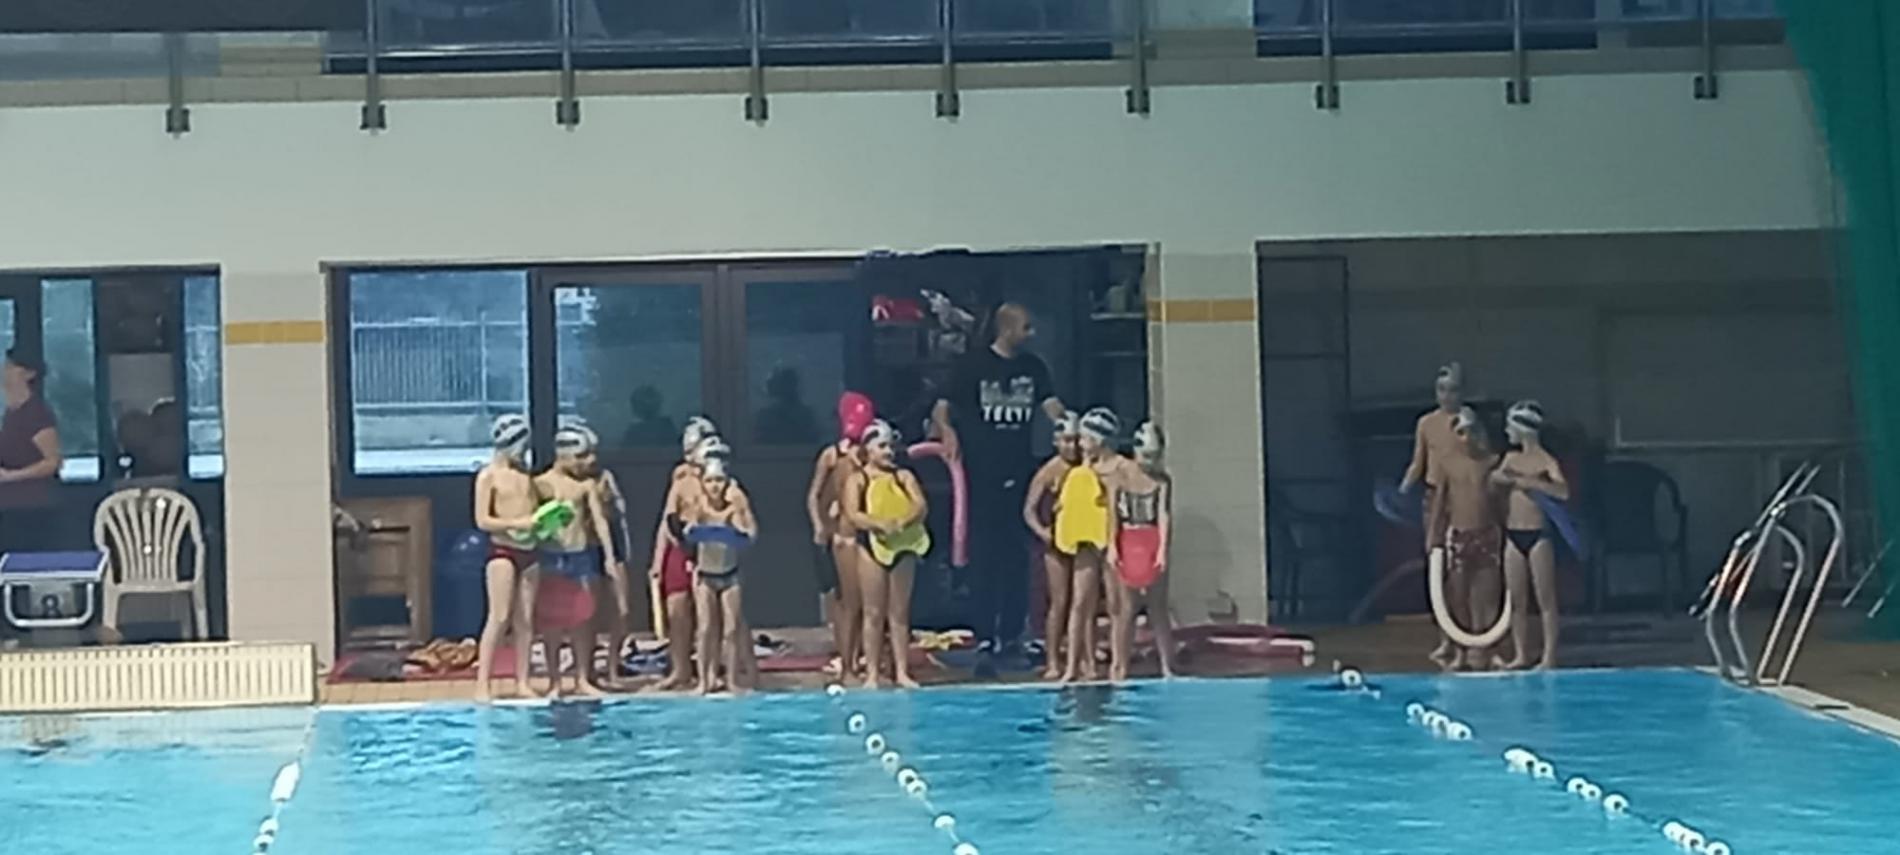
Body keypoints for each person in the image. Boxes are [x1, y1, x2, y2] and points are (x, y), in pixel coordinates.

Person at [931, 303, 1067, 676]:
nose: (1031, 334)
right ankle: (984, 634)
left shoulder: (1033, 367)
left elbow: (1052, 406)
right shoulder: (972, 367)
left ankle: (1012, 633)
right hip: (982, 473)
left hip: (1020, 472)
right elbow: (942, 408)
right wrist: (947, 431)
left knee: (1017, 557)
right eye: (1026, 327)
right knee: (984, 557)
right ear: (1007, 329)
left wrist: (1072, 429)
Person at [532, 425, 623, 698]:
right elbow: (531, 522)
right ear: (563, 454)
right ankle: (555, 681)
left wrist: (609, 557)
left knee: (583, 618)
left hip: (580, 555)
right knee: (552, 620)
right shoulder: (540, 484)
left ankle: (582, 678)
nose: (586, 462)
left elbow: (600, 522)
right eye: (580, 456)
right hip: (551, 556)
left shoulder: (584, 486)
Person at [843, 421, 929, 690]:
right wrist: (878, 524)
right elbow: (853, 514)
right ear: (867, 450)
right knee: (873, 612)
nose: (888, 452)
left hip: (902, 546)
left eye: (890, 446)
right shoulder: (858, 479)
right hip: (872, 546)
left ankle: (902, 671)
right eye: (882, 446)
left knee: (899, 613)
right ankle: (871, 672)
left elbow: (920, 505)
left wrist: (903, 520)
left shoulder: (903, 476)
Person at [1493, 401, 1569, 670]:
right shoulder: (1510, 459)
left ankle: (1549, 656)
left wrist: (1532, 482)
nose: (1506, 431)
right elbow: (1494, 479)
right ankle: (1521, 654)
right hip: (1513, 535)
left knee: (1545, 599)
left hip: (1538, 536)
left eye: (1509, 426)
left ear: (1522, 429)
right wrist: (1511, 479)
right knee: (1517, 600)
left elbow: (1563, 492)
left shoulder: (1546, 461)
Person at [472, 414, 542, 702]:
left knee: (525, 620)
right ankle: (482, 683)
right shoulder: (487, 476)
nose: (523, 452)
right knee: (499, 616)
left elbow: (533, 514)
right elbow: (482, 521)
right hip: (502, 551)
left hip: (530, 551)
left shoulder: (525, 476)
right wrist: (517, 523)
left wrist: (544, 523)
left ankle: (523, 681)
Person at [1430, 406, 1505, 672]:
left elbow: (1500, 501)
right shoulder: (1447, 463)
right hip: (1459, 535)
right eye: (1461, 432)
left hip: (1487, 532)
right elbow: (1440, 502)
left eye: (1471, 431)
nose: (1467, 438)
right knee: (1458, 595)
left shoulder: (1491, 461)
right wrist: (1434, 536)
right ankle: (1461, 652)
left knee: (1488, 595)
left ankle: (1491, 651)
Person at [646, 417, 719, 691]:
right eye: (686, 452)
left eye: (692, 451)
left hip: (708, 548)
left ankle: (710, 670)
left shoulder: (718, 478)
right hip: (678, 546)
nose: (688, 458)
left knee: (709, 612)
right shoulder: (680, 476)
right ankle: (680, 669)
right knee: (676, 608)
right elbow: (667, 518)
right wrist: (658, 560)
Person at [806, 392, 873, 683]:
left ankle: (860, 658)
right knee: (847, 602)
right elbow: (814, 495)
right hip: (841, 533)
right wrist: (818, 525)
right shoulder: (832, 455)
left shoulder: (870, 453)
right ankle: (847, 663)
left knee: (868, 603)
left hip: (867, 532)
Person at [0, 351, 62, 648]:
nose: (4, 371)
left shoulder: (36, 414)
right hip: (8, 506)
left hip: (30, 507)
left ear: (28, 374)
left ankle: (19, 632)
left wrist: (11, 477)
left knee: (19, 571)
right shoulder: (10, 413)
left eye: (12, 366)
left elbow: (52, 461)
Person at [1403, 362, 1464, 665]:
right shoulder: (1426, 423)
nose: (1446, 396)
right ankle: (1444, 638)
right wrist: (1403, 488)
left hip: (1460, 499)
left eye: (1452, 390)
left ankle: (1463, 637)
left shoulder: (1466, 422)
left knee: (1459, 570)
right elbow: (1419, 461)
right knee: (1437, 568)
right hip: (1433, 496)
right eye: (1441, 390)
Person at [1108, 421, 1175, 681]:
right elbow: (1113, 516)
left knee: (1158, 607)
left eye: (1155, 457)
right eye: (1147, 456)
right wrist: (1113, 547)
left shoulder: (1162, 481)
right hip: (1128, 537)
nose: (1150, 462)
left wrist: (1162, 550)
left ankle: (1167, 666)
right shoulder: (1120, 477)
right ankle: (1120, 666)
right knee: (1126, 609)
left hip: (1150, 538)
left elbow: (1163, 516)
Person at [685, 456, 758, 695]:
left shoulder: (735, 504)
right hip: (705, 576)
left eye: (718, 480)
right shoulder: (699, 505)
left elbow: (752, 534)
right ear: (703, 483)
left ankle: (732, 679)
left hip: (730, 575)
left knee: (731, 629)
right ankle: (704, 681)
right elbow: (687, 531)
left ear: (726, 481)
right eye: (709, 481)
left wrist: (738, 527)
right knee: (705, 629)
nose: (714, 486)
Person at [1056, 408, 1119, 684]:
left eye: (1083, 438)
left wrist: (1114, 544)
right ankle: (1075, 666)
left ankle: (1117, 665)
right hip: (1085, 542)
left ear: (1098, 440)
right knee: (1080, 603)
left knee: (1116, 605)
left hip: (1111, 542)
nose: (1080, 444)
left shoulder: (1117, 470)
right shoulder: (1078, 474)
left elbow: (1116, 510)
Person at [575, 424, 636, 689]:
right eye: (586, 454)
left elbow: (620, 519)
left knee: (622, 609)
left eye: (593, 453)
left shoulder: (605, 478)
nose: (591, 459)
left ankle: (612, 668)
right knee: (588, 613)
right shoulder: (572, 483)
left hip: (613, 546)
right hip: (586, 548)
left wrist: (623, 551)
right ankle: (587, 670)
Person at [1023, 411, 1082, 680]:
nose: (1072, 446)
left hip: (1082, 541)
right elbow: (1029, 511)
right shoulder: (1048, 472)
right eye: (1067, 440)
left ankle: (1082, 658)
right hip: (1056, 545)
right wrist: (1044, 533)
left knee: (1083, 603)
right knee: (1059, 602)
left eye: (1076, 440)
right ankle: (1053, 661)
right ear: (1056, 441)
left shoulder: (1086, 468)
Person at [755, 367, 821, 444]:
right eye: (784, 385)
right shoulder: (765, 416)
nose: (788, 388)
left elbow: (812, 441)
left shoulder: (806, 415)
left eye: (790, 384)